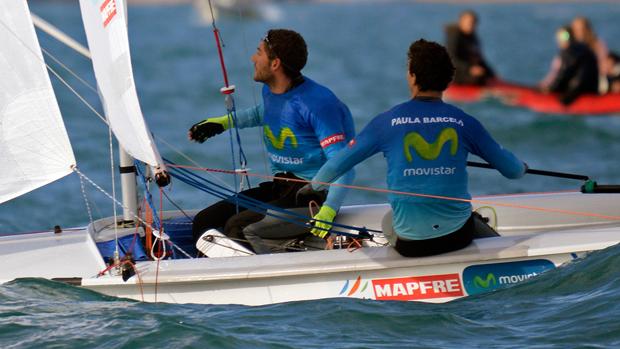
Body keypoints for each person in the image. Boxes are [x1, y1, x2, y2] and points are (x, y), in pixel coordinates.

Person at [299, 39, 526, 258]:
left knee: (389, 220)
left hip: (411, 246)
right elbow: (512, 171)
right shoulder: (464, 122)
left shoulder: (385, 122)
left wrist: (313, 187)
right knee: (469, 217)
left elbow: (337, 164)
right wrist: (522, 167)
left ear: (413, 77)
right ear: (448, 79)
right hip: (458, 237)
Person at [188, 29, 355, 253]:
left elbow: (345, 167)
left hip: (310, 198)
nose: (253, 58)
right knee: (205, 222)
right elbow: (263, 113)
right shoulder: (271, 91)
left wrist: (330, 211)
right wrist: (222, 123)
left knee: (237, 228)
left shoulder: (317, 103)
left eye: (259, 53)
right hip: (279, 188)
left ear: (275, 64)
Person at [545, 26, 599, 105]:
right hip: (592, 89)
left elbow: (563, 75)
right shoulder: (584, 48)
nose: (559, 40)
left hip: (578, 91)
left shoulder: (569, 52)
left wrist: (551, 90)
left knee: (562, 101)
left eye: (562, 37)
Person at [445, 10, 495, 85]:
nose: (470, 25)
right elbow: (451, 59)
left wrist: (491, 73)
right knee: (478, 78)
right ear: (461, 21)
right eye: (468, 22)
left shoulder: (473, 38)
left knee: (485, 74)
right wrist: (469, 69)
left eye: (473, 23)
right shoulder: (454, 36)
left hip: (468, 71)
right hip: (455, 73)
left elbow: (479, 58)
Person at [570, 16, 609, 93]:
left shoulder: (597, 44)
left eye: (582, 29)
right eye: (576, 30)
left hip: (595, 81)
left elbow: (604, 66)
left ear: (588, 29)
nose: (579, 32)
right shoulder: (571, 47)